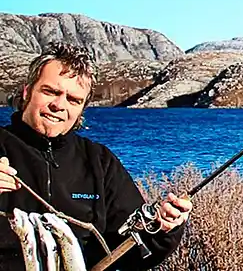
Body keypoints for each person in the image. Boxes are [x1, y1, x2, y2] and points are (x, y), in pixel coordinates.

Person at [0, 42, 193, 270]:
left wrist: (163, 228)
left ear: (82, 108)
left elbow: (136, 254)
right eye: (50, 91)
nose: (59, 105)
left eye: (73, 100)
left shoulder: (99, 161)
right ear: (27, 91)